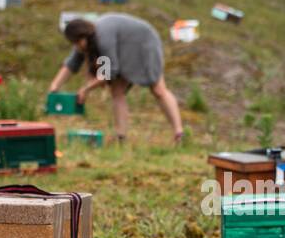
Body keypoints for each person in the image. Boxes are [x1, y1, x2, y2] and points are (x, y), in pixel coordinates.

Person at [49, 14, 184, 144]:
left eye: (77, 42)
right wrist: (54, 87)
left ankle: (179, 133)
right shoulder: (85, 43)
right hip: (121, 49)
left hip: (143, 43)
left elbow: (110, 71)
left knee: (158, 89)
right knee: (117, 91)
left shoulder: (102, 37)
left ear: (83, 36)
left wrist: (86, 89)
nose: (77, 47)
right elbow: (71, 64)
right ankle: (121, 137)